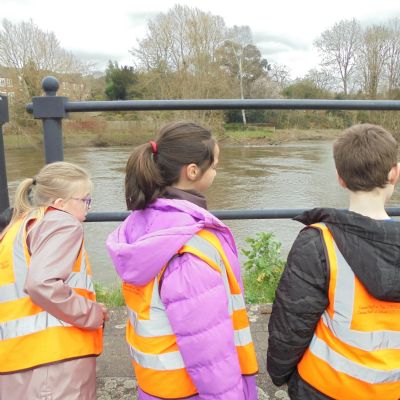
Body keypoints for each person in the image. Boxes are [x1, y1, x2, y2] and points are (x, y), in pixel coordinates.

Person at [106, 122, 259, 400]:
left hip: (157, 385)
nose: (216, 172)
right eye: (214, 166)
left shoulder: (143, 223)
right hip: (189, 391)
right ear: (193, 171)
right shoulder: (188, 248)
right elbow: (207, 348)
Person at [266, 123, 400, 400]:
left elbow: (291, 321)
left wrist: (280, 373)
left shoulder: (318, 242)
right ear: (394, 173)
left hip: (325, 387)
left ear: (340, 178)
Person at [0, 161, 108, 400]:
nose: (89, 207)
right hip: (56, 361)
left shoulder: (17, 227)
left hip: (17, 359)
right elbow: (42, 284)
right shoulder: (63, 223)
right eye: (85, 200)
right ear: (60, 203)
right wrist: (92, 313)